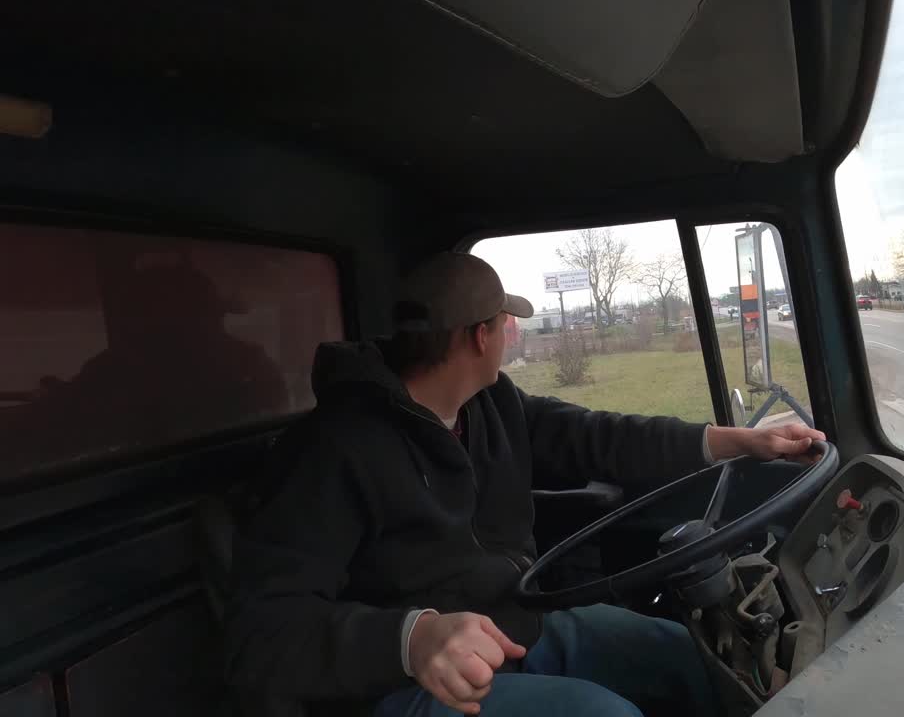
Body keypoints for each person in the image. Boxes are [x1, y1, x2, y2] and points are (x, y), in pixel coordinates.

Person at [225, 253, 825, 717]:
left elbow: (600, 437)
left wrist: (738, 442)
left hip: (515, 628)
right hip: (408, 685)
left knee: (681, 654)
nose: (511, 336)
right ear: (480, 337)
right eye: (505, 324)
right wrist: (411, 637)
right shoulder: (331, 451)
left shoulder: (490, 404)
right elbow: (263, 634)